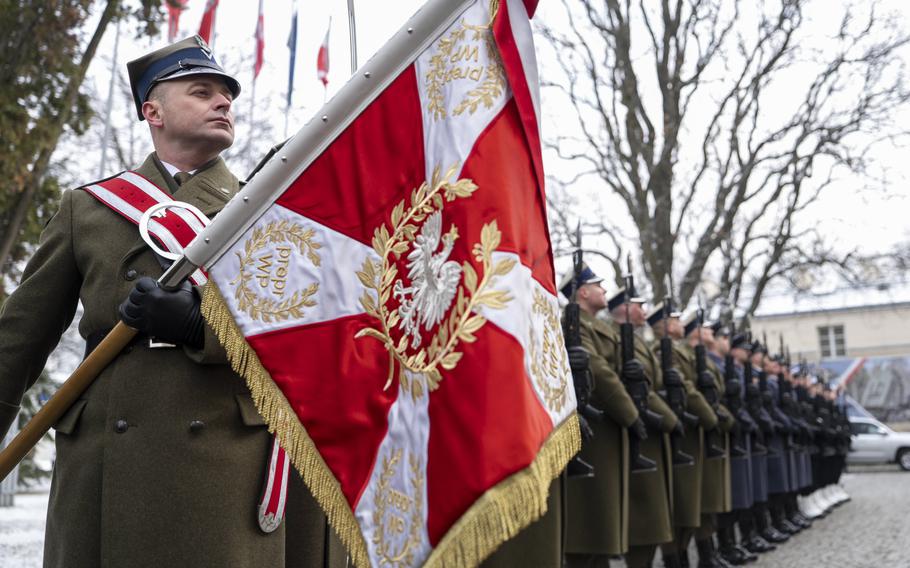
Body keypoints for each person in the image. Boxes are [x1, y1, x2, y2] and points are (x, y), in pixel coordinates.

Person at [0, 36, 341, 567]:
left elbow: (308, 335)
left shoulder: (266, 211)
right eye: (202, 91)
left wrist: (199, 327)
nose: (223, 102)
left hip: (227, 473)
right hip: (108, 469)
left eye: (226, 95)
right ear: (151, 110)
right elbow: (16, 342)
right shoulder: (86, 211)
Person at [561, 263, 642, 568]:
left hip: (608, 428)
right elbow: (600, 373)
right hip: (596, 429)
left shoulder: (599, 326)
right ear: (582, 292)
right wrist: (631, 415)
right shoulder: (575, 324)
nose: (605, 290)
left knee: (601, 524)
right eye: (599, 286)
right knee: (589, 522)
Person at [607, 288, 678, 568]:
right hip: (639, 429)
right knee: (643, 517)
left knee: (653, 517)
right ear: (624, 308)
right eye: (639, 305)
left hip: (650, 428)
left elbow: (653, 385)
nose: (644, 311)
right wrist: (669, 419)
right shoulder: (615, 337)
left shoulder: (639, 342)